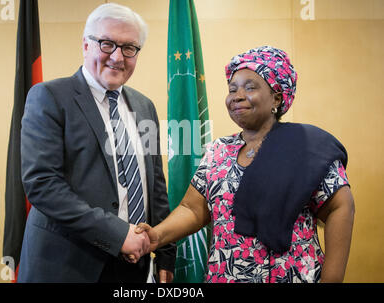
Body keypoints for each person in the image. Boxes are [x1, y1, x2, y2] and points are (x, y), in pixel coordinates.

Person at [136, 46, 355, 283]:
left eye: (250, 87)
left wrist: (332, 278)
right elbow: (193, 209)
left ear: (277, 97)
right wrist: (157, 235)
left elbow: (340, 207)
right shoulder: (219, 150)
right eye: (232, 89)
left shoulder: (307, 146)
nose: (237, 95)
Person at [18, 3, 175, 283]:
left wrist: (165, 252)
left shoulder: (144, 106)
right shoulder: (49, 97)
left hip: (133, 268)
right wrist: (117, 234)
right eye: (107, 44)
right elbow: (42, 184)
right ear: (86, 45)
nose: (118, 57)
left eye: (129, 48)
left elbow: (156, 186)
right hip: (68, 266)